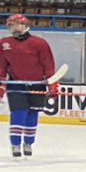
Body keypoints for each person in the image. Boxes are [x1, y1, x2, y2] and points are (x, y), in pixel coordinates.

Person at [1, 14, 58, 159]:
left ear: (25, 25)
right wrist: (1, 85)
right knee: (18, 113)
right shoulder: (4, 43)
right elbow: (1, 67)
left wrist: (52, 85)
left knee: (32, 115)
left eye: (17, 24)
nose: (14, 28)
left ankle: (28, 143)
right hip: (16, 84)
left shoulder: (39, 43)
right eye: (11, 25)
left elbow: (48, 66)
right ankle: (15, 144)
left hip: (37, 85)